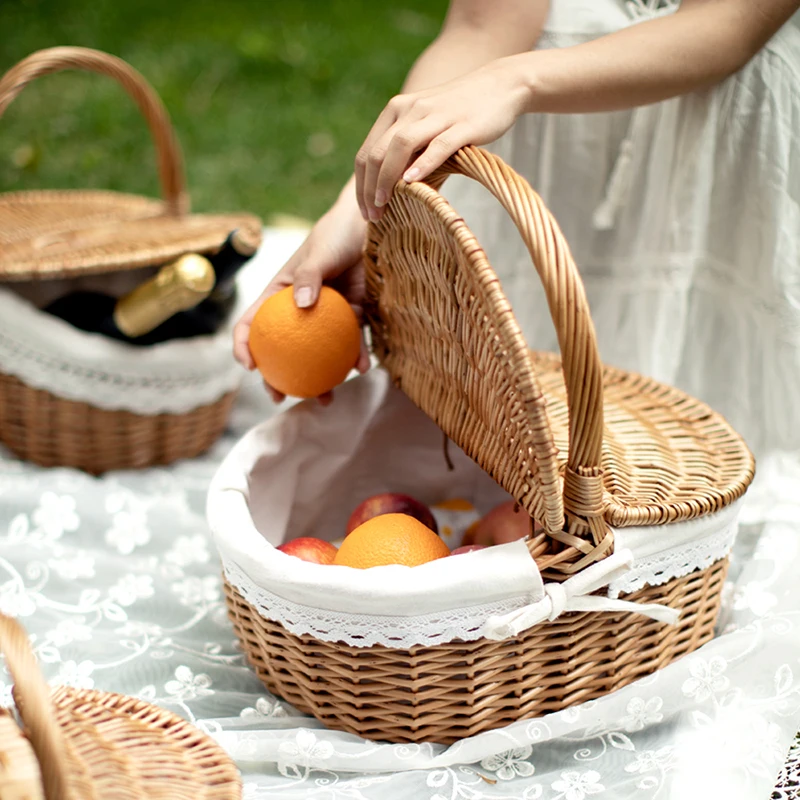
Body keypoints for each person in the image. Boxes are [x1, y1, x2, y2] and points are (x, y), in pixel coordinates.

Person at [234, 0, 800, 458]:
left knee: (707, 446)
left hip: (710, 173)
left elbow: (731, 23)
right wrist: (364, 214)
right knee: (511, 451)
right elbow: (483, 22)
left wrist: (515, 82)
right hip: (551, 180)